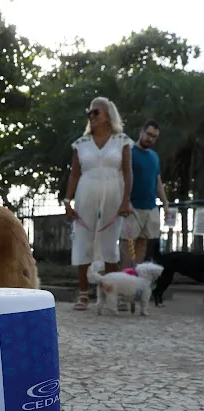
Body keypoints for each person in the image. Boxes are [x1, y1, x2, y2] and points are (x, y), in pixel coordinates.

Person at [64, 97, 133, 310]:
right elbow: (74, 174)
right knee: (83, 242)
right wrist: (68, 201)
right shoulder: (81, 144)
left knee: (110, 245)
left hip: (114, 196)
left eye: (96, 113)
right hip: (86, 195)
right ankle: (84, 293)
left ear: (108, 116)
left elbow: (128, 173)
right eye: (90, 113)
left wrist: (125, 201)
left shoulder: (122, 141)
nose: (92, 117)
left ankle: (114, 293)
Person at [120, 120, 169, 267]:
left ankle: (135, 283)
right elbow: (122, 179)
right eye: (149, 134)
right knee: (127, 246)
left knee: (142, 244)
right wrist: (125, 201)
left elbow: (158, 182)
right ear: (142, 132)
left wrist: (165, 203)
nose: (151, 138)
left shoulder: (154, 156)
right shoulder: (129, 152)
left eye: (154, 136)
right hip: (132, 208)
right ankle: (125, 282)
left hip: (150, 207)